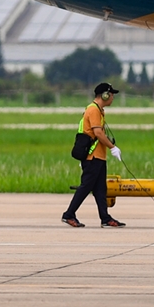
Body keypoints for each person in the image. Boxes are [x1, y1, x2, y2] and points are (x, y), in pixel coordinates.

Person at [62, 82, 125, 228]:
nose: (113, 97)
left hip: (98, 157)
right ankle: (69, 214)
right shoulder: (94, 110)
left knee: (100, 190)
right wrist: (112, 147)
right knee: (85, 187)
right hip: (93, 158)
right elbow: (98, 133)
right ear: (104, 95)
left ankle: (105, 218)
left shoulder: (98, 110)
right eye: (111, 94)